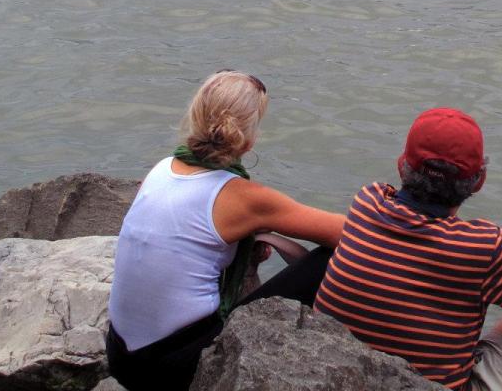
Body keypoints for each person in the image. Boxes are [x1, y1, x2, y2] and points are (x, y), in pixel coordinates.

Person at [315, 107, 502, 391]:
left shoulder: (367, 202)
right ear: (480, 180)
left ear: (402, 164)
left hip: (336, 372)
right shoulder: (483, 246)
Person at [106, 71, 344, 391]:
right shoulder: (243, 197)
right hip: (171, 365)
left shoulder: (162, 168)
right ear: (249, 139)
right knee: (330, 259)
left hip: (120, 355)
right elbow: (350, 233)